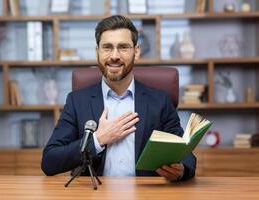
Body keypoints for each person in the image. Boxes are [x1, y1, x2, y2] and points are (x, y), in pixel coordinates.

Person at [41, 15, 196, 181]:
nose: (114, 56)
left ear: (136, 52)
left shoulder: (160, 101)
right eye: (107, 47)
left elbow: (187, 156)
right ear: (97, 52)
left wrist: (181, 171)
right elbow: (50, 161)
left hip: (146, 194)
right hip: (94, 194)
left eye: (123, 47)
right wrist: (97, 140)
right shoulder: (77, 101)